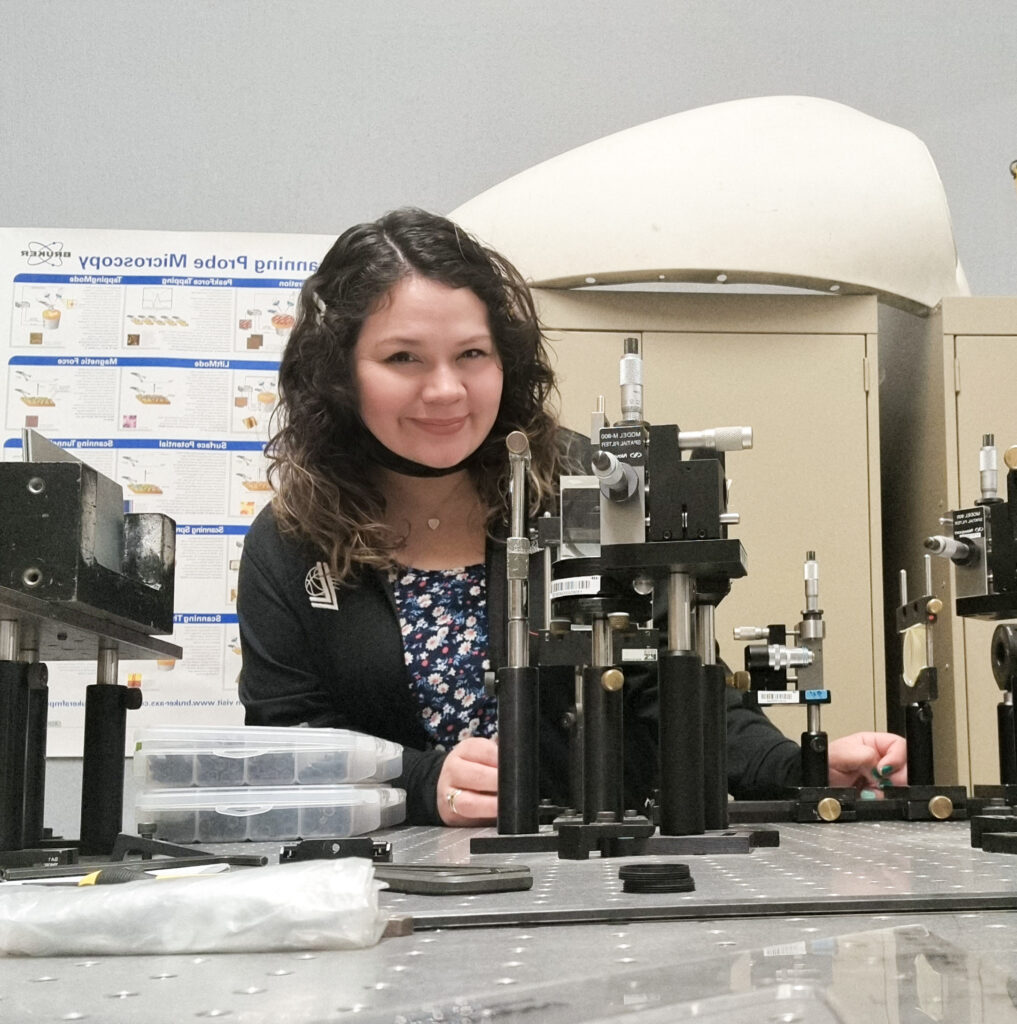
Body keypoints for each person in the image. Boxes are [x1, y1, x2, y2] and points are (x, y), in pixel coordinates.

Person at [237, 207, 906, 826]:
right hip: (397, 883)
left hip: (600, 872)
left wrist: (801, 770)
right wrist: (421, 783)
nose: (444, 389)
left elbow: (676, 690)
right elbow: (287, 743)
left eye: (472, 354)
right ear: (339, 372)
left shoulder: (582, 488)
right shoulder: (293, 537)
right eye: (402, 358)